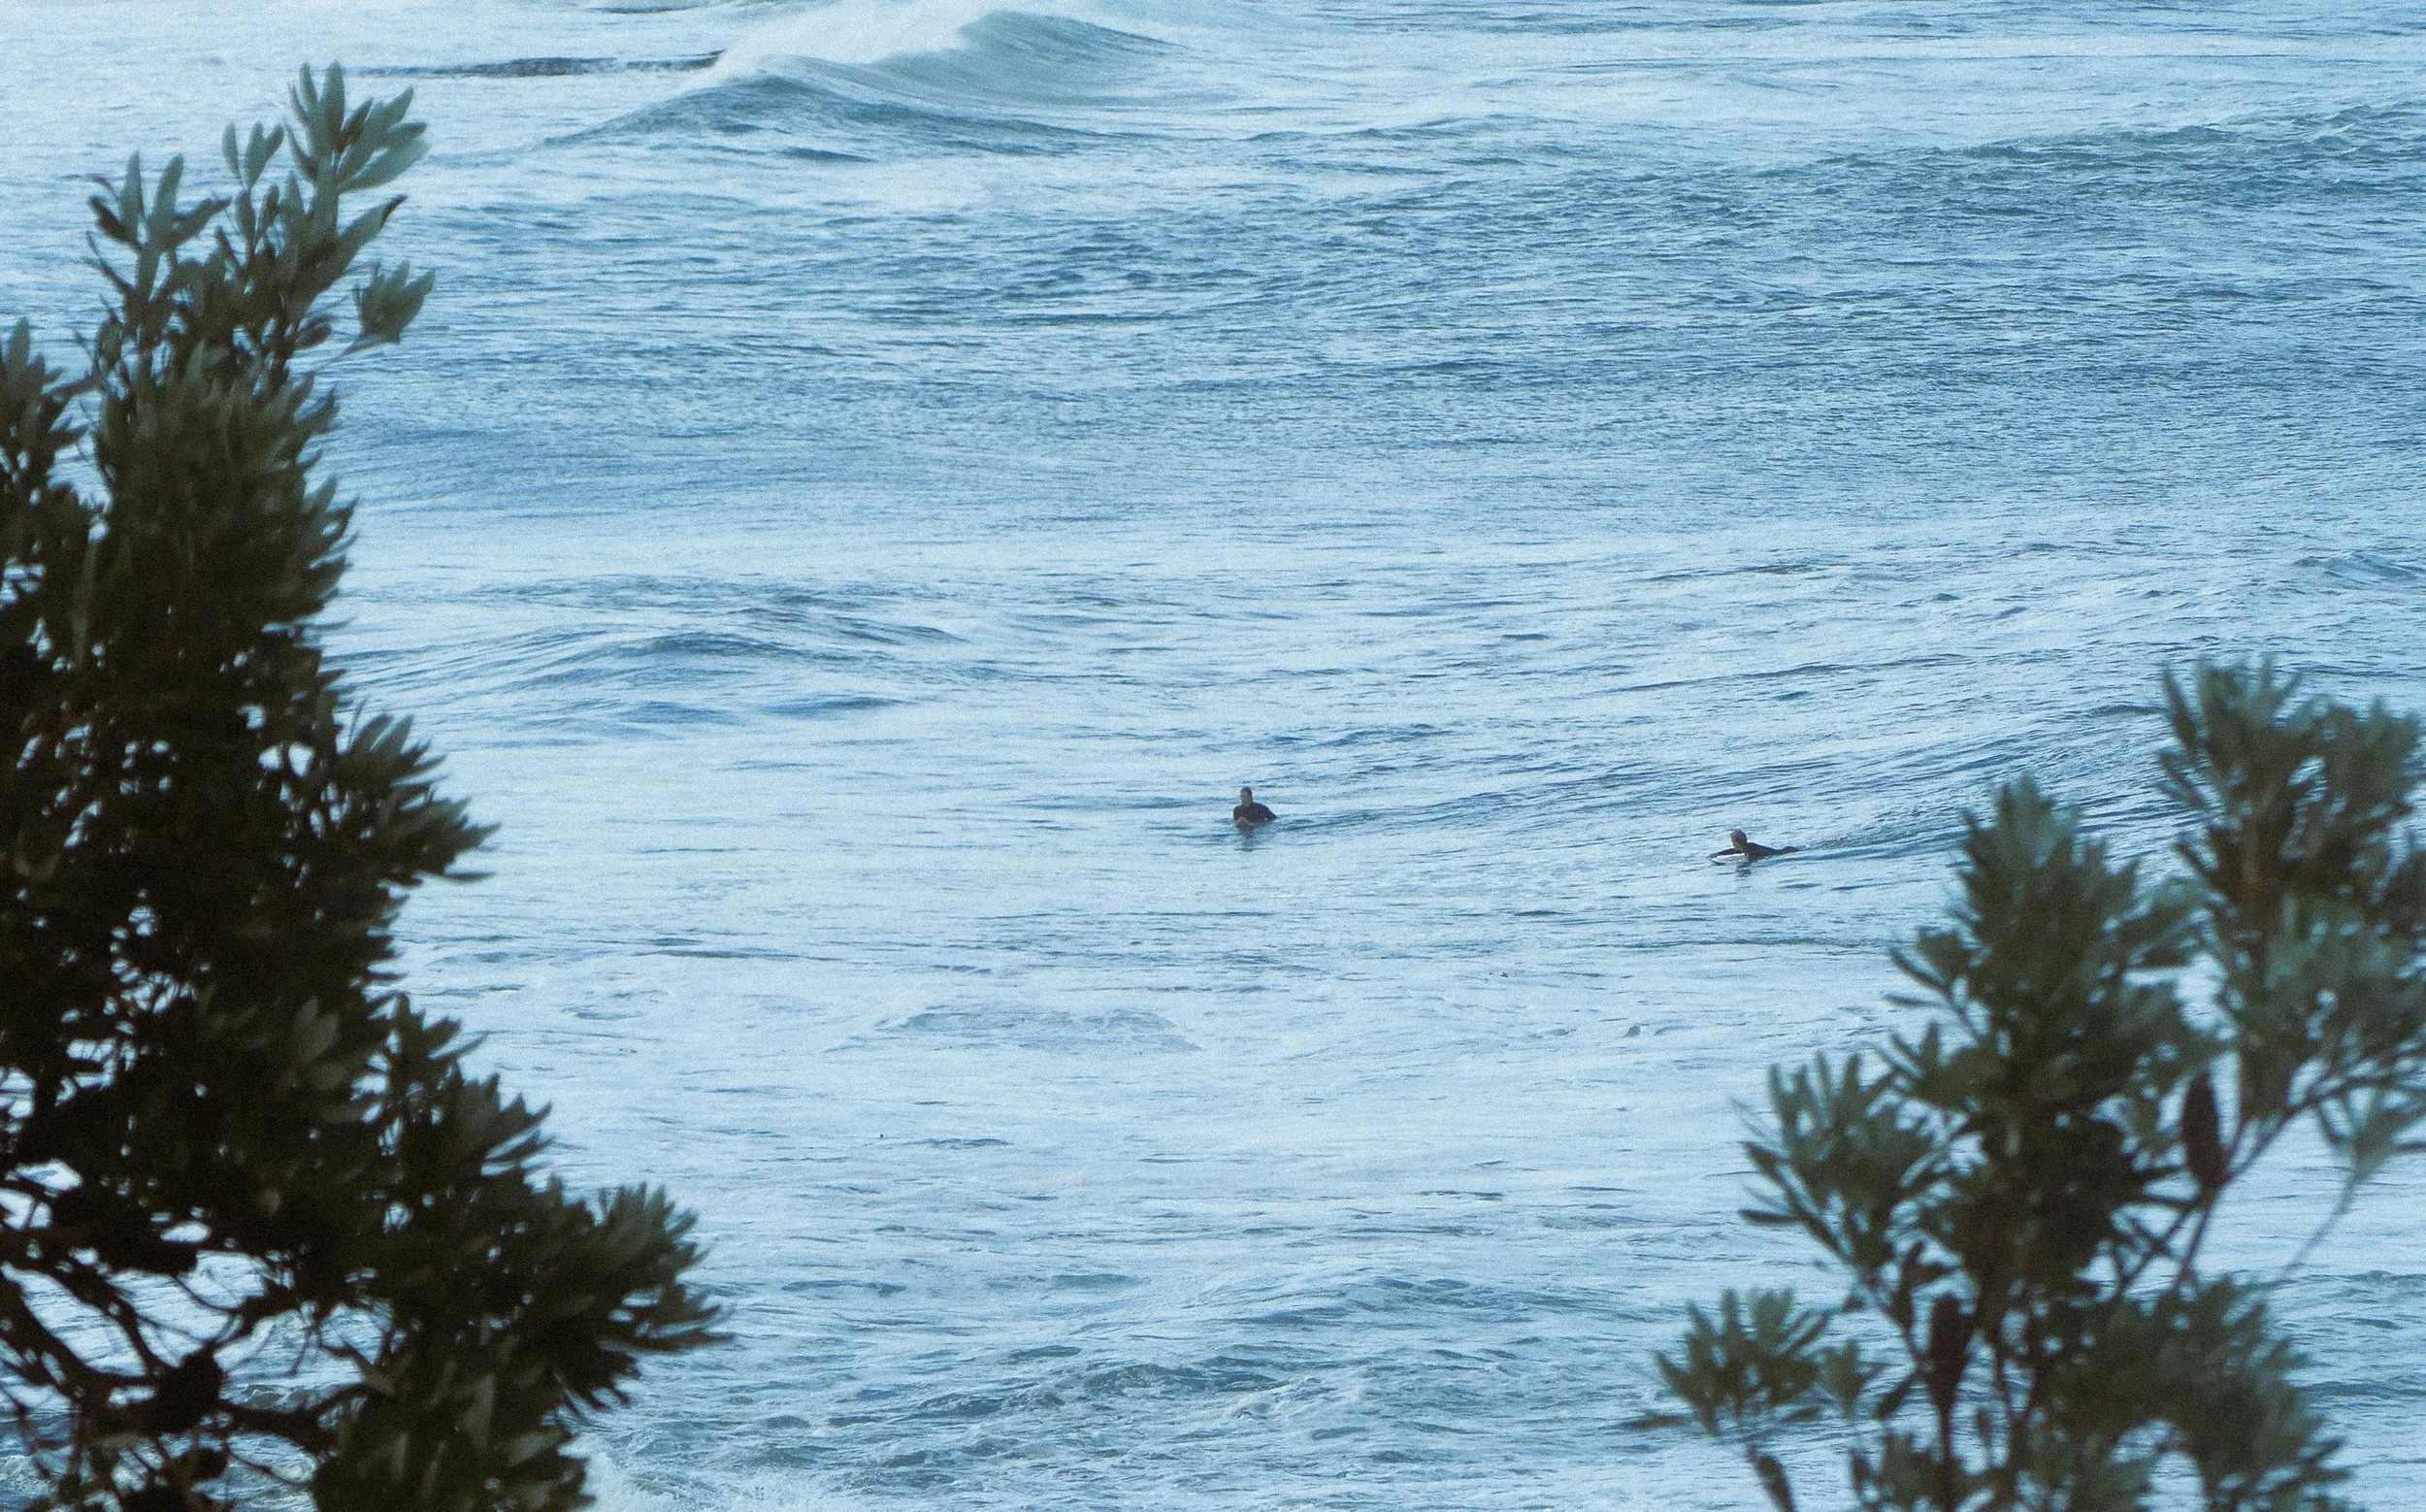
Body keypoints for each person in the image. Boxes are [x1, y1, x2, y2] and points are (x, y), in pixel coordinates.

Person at [1711, 829, 1797, 862]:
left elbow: (1750, 861)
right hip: (1785, 851)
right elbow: (1733, 851)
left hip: (1787, 852)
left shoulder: (1749, 849)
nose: (1733, 845)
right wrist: (1718, 854)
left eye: (1733, 843)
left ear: (1737, 843)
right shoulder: (1747, 846)